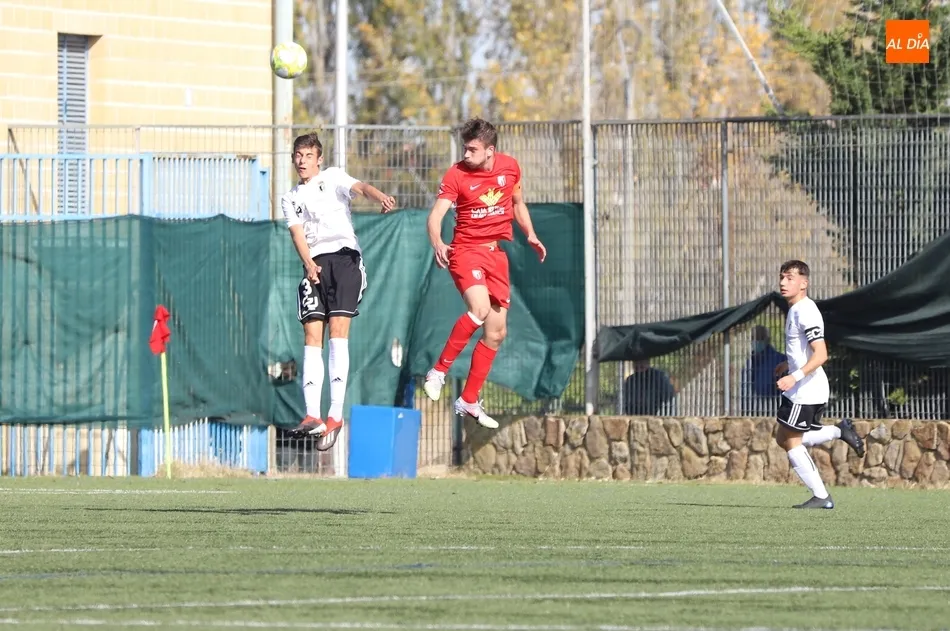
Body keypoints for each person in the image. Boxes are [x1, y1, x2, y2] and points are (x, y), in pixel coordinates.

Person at [421, 118, 546, 429]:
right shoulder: (456, 174)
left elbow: (517, 203)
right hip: (464, 251)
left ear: (491, 151)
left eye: (472, 149)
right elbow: (436, 216)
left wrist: (529, 233)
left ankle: (469, 399)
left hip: (495, 255)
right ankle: (438, 370)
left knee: (496, 333)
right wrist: (438, 241)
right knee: (478, 309)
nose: (466, 154)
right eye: (465, 148)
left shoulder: (510, 168)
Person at [281, 132, 396, 450]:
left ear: (319, 159)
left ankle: (334, 415)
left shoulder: (332, 178)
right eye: (297, 155)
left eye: (307, 155)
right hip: (314, 266)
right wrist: (308, 264)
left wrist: (380, 196)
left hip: (345, 261)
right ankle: (312, 415)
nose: (302, 161)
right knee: (311, 336)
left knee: (338, 333)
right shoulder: (290, 198)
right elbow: (297, 234)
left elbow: (360, 188)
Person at [774, 260, 865, 509]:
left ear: (804, 283)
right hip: (801, 387)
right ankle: (839, 431)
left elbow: (821, 354)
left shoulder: (805, 310)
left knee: (792, 442)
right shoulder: (795, 309)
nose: (783, 282)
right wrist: (788, 364)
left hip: (806, 390)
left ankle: (821, 496)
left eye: (790, 278)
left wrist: (794, 376)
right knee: (783, 437)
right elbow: (803, 350)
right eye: (782, 277)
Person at [740, 325, 786, 415]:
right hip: (752, 410)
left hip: (774, 409)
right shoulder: (749, 362)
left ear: (767, 340)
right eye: (754, 338)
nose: (756, 341)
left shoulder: (779, 359)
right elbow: (744, 388)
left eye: (760, 338)